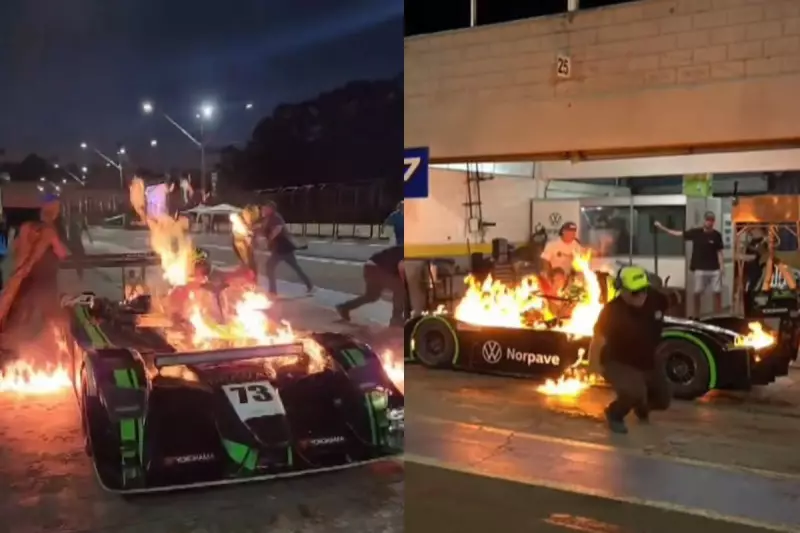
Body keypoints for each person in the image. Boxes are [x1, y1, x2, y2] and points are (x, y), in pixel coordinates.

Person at [588, 265, 671, 434]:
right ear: (623, 291)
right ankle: (614, 414)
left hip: (647, 359)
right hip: (618, 361)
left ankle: (641, 405)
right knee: (633, 392)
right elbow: (598, 340)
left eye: (644, 290)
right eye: (635, 292)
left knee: (664, 399)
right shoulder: (612, 311)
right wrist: (593, 365)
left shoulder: (656, 299)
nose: (642, 295)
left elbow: (671, 299)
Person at [0, 194, 70, 336]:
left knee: (12, 306)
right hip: (37, 278)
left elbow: (14, 248)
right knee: (39, 313)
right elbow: (62, 253)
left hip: (17, 274)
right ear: (54, 211)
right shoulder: (50, 231)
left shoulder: (26, 227)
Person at [655, 212, 724, 314]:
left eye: (711, 220)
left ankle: (719, 315)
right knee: (697, 293)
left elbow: (719, 252)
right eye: (707, 220)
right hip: (700, 268)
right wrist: (662, 228)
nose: (709, 222)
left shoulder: (717, 235)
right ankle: (697, 315)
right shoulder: (696, 233)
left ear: (713, 222)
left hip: (714, 269)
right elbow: (678, 234)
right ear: (704, 220)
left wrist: (721, 267)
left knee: (717, 292)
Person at [336, 245, 405, 327]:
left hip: (370, 266)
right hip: (378, 268)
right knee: (400, 289)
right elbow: (402, 267)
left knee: (371, 296)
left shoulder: (402, 249)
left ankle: (345, 307)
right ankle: (396, 319)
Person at [259, 201, 315, 297]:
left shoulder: (276, 217)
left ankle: (273, 291)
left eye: (265, 208)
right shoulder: (267, 219)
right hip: (279, 249)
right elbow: (262, 230)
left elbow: (278, 228)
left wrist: (270, 239)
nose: (263, 210)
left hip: (283, 247)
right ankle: (309, 285)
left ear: (271, 209)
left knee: (270, 266)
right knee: (294, 267)